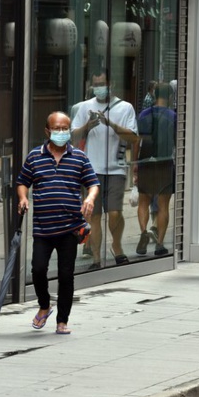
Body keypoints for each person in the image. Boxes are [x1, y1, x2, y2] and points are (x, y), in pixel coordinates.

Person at [17, 112, 99, 334]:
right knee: (38, 270)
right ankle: (44, 305)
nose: (61, 132)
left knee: (66, 275)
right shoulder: (35, 156)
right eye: (57, 128)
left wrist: (90, 198)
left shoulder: (79, 157)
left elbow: (93, 183)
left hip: (70, 228)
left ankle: (62, 320)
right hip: (43, 229)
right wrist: (23, 197)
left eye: (65, 128)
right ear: (47, 131)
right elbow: (23, 182)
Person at [71, 69, 138, 268]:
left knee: (115, 212)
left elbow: (134, 137)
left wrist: (111, 124)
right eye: (96, 84)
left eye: (102, 84)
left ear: (112, 85)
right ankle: (97, 258)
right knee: (93, 216)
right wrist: (87, 127)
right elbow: (72, 135)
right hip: (91, 169)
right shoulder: (84, 107)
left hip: (115, 169)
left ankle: (116, 247)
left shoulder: (125, 108)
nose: (99, 88)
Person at [133, 82, 176, 257]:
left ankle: (144, 232)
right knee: (163, 204)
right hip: (165, 162)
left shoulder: (143, 114)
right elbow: (177, 142)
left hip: (145, 161)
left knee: (144, 200)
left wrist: (135, 162)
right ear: (171, 97)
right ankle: (159, 244)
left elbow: (137, 141)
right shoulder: (173, 116)